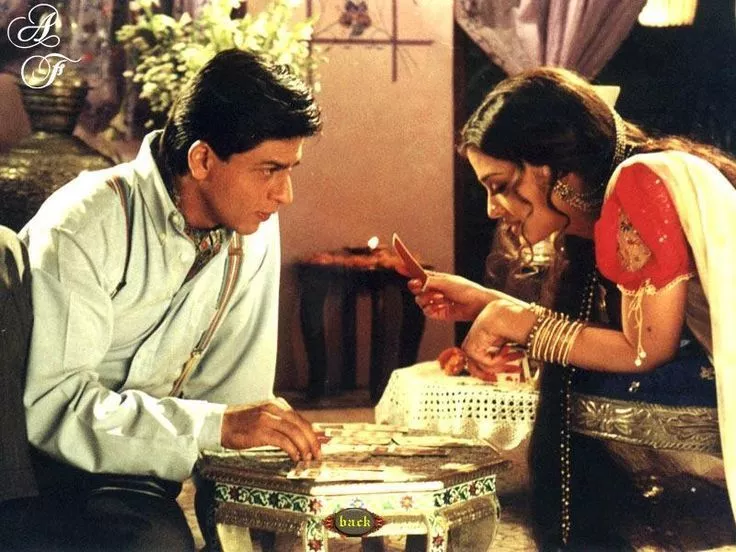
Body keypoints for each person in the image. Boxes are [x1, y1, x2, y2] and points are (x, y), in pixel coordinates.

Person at [0, 48, 323, 551]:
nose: (285, 194)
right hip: (40, 468)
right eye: (269, 169)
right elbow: (54, 407)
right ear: (202, 159)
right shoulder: (85, 222)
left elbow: (237, 398)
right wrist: (217, 426)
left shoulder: (253, 230)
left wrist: (260, 504)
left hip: (137, 475)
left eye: (290, 169)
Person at [409, 67, 736, 549]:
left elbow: (645, 348)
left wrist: (508, 319)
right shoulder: (620, 195)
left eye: (500, 185)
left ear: (553, 169)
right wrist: (488, 304)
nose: (492, 208)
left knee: (583, 378)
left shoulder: (640, 181)